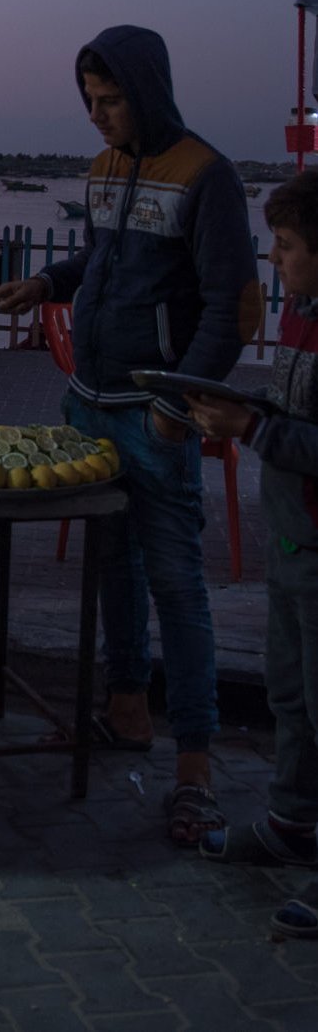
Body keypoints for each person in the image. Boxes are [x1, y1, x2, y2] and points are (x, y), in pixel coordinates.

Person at [0, 25, 259, 846]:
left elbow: (232, 308)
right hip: (88, 407)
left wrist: (177, 403)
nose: (98, 117)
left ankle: (195, 770)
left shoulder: (208, 178)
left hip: (152, 415)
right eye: (89, 103)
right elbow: (99, 262)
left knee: (176, 585)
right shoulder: (106, 169)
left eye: (110, 101)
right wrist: (46, 282)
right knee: (112, 570)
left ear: (148, 91)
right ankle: (125, 713)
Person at [188, 172, 318, 938]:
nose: (275, 259)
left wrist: (254, 431)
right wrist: (248, 415)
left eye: (291, 247)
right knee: (292, 698)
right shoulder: (299, 316)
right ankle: (293, 823)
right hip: (292, 540)